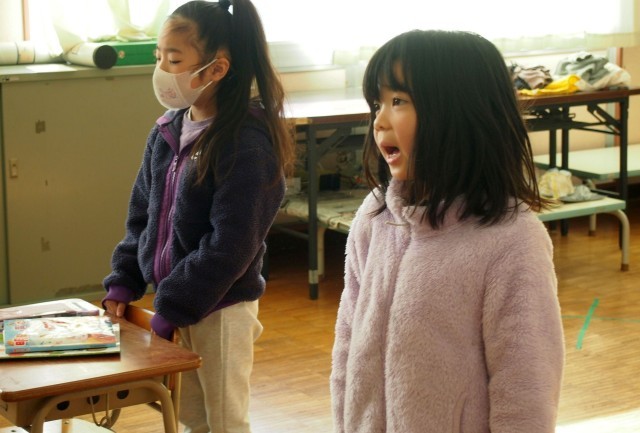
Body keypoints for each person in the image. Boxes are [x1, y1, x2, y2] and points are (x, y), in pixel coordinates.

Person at [330, 30, 564, 432]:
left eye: (398, 101)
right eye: (377, 103)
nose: (380, 121)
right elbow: (347, 344)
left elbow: (527, 389)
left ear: (457, 111)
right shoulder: (376, 216)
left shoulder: (511, 239)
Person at [102, 1, 295, 432]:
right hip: (176, 302)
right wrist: (124, 280)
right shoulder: (166, 131)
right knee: (190, 418)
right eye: (158, 57)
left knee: (224, 421)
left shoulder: (246, 143)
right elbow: (142, 217)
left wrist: (174, 305)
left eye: (174, 60)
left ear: (216, 69)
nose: (161, 70)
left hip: (221, 309)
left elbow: (232, 245)